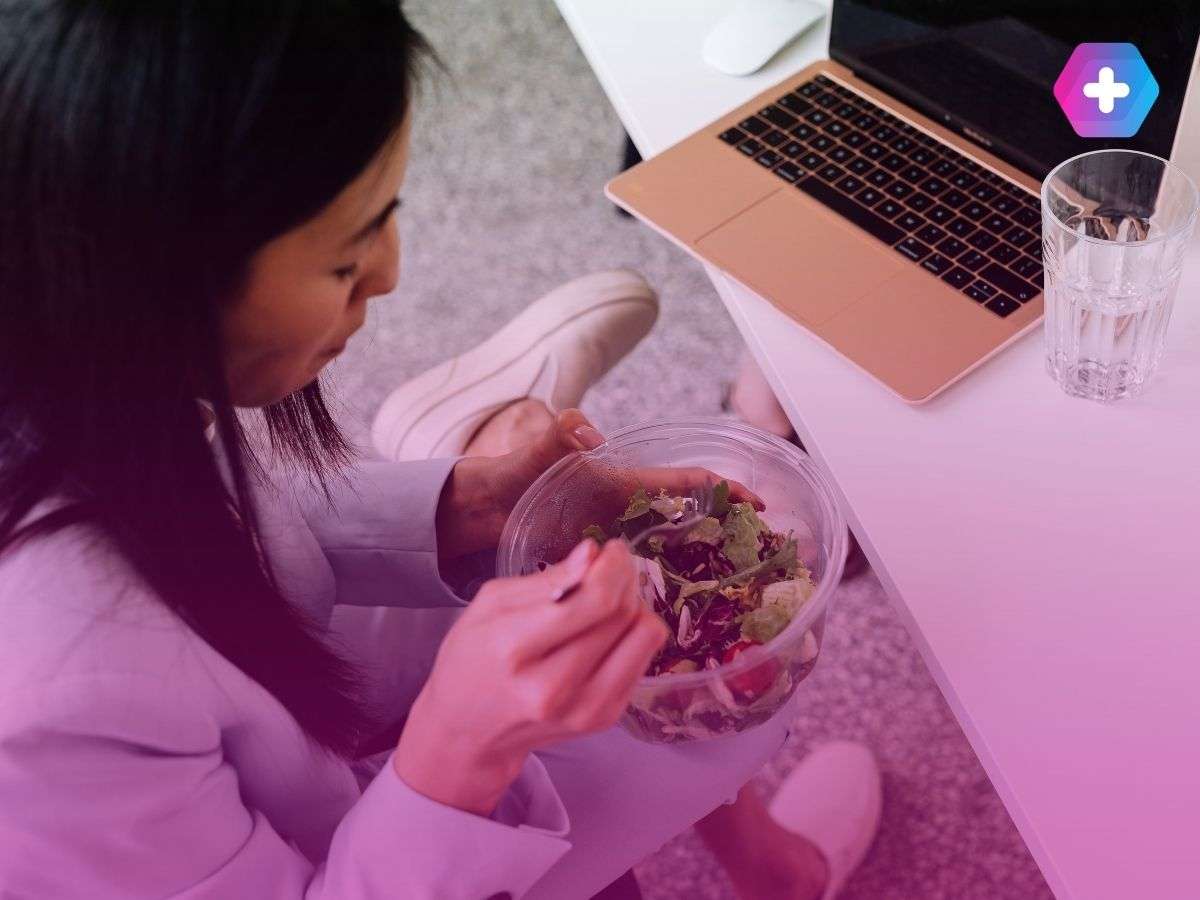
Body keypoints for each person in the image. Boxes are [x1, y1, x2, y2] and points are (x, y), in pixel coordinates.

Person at [0, 2, 879, 898]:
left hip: (294, 714)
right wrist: (458, 750)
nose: (389, 276)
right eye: (346, 260)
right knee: (669, 737)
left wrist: (469, 501)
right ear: (149, 287)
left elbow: (219, 528)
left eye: (389, 214)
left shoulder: (67, 355)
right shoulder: (48, 711)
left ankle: (458, 438)